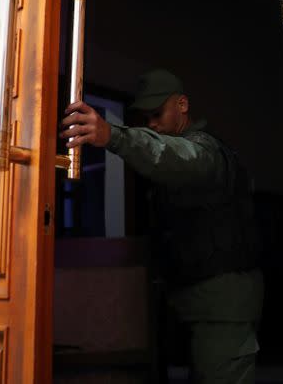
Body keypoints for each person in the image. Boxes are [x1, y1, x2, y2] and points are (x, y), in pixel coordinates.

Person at [60, 68, 264, 383]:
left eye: (157, 113)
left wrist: (113, 135)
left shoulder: (204, 150)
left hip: (223, 307)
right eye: (146, 117)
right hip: (189, 299)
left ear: (182, 105)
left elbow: (174, 155)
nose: (152, 123)